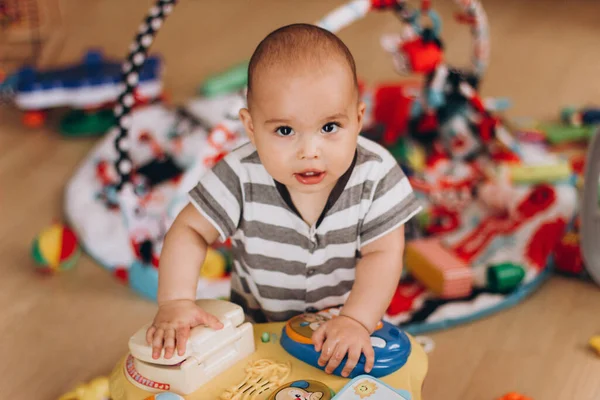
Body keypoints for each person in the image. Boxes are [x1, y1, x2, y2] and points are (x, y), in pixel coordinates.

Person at [145, 23, 422, 378]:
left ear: (358, 119)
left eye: (330, 127)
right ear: (251, 127)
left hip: (343, 331)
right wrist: (176, 301)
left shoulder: (377, 175)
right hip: (256, 329)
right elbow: (190, 231)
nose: (309, 152)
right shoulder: (240, 175)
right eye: (285, 131)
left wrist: (356, 320)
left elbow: (383, 254)